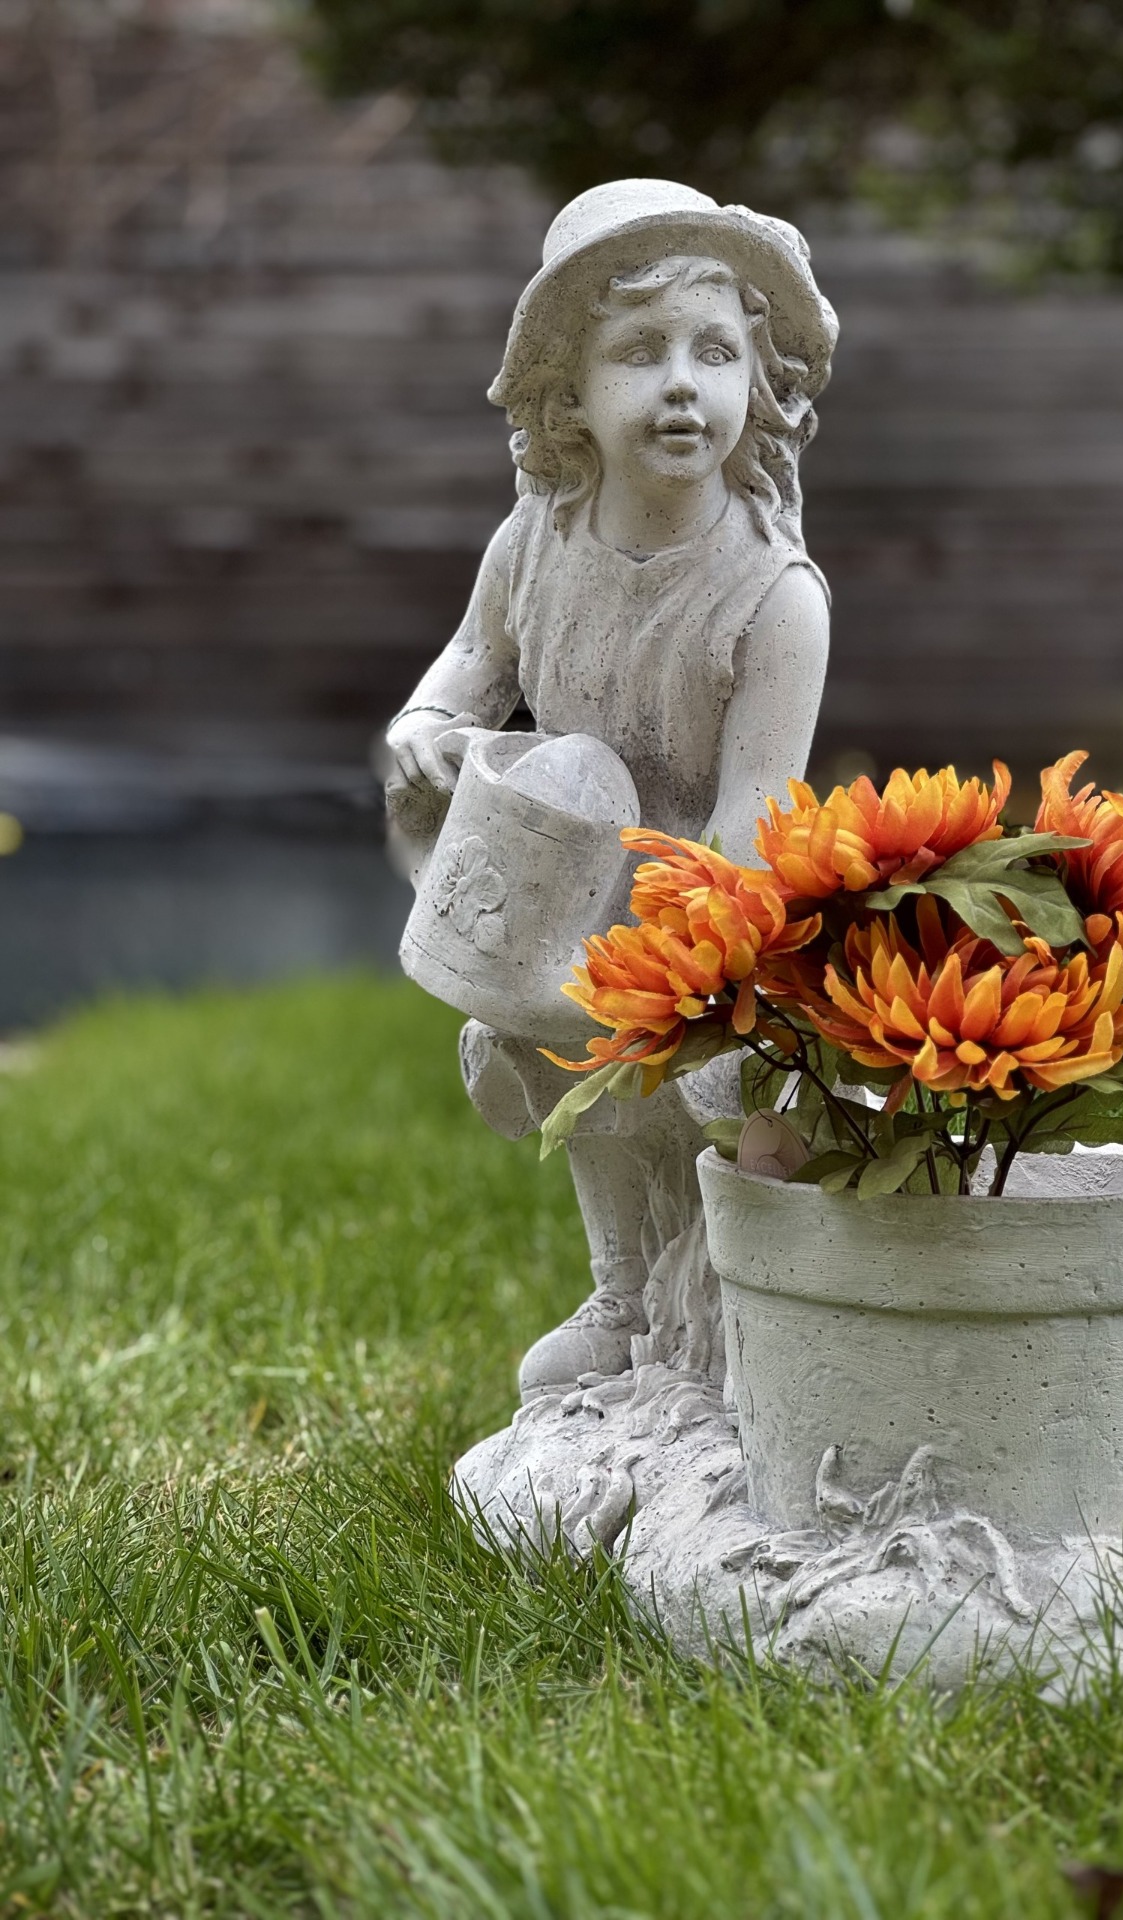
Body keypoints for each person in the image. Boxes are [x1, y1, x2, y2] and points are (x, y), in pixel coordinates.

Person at [386, 178, 836, 1394]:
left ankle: (741, 1308)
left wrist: (675, 968)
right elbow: (473, 661)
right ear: (567, 392)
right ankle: (622, 1292)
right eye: (640, 352)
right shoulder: (534, 541)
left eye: (716, 352)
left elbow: (754, 819)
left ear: (761, 380)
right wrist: (428, 725)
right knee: (578, 1083)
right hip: (567, 876)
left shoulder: (776, 600)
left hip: (711, 904)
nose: (683, 385)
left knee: (715, 1093)